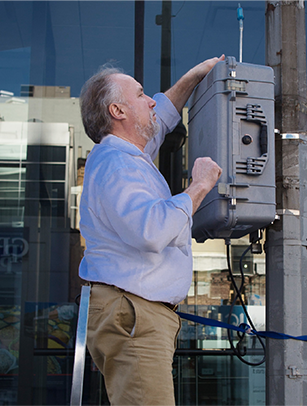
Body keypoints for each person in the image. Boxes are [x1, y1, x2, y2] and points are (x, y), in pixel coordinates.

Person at [78, 56, 223, 406]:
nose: (151, 101)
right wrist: (199, 187)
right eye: (141, 95)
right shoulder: (118, 164)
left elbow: (164, 114)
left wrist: (194, 76)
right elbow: (152, 229)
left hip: (135, 312)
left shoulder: (124, 156)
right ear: (118, 111)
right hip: (135, 314)